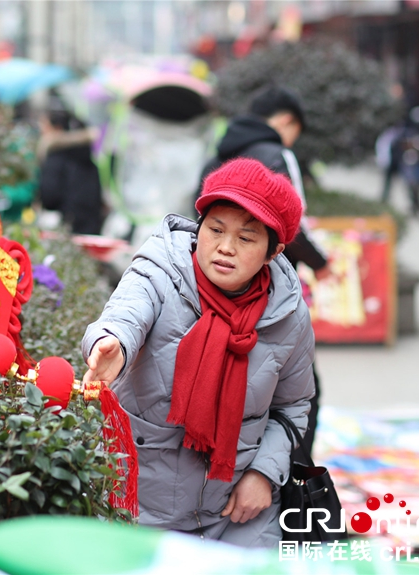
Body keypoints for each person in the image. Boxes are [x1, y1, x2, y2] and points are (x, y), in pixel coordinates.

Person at [82, 158, 315, 546]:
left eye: (246, 238)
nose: (225, 248)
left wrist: (262, 474)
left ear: (273, 252)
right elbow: (126, 314)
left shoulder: (288, 314)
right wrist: (113, 344)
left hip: (236, 513)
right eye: (216, 229)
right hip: (137, 507)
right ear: (199, 226)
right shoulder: (159, 270)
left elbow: (293, 407)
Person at [197, 86, 328, 457]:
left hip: (214, 289)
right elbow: (292, 225)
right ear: (287, 122)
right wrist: (320, 263)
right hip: (268, 292)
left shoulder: (218, 153)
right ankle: (291, 475)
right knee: (293, 389)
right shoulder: (276, 154)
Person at [38, 109, 105, 235]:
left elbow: (49, 196)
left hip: (63, 225)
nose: (42, 131)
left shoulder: (55, 156)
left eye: (44, 125)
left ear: (57, 128)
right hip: (91, 224)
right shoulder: (88, 156)